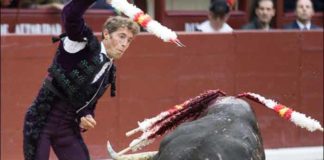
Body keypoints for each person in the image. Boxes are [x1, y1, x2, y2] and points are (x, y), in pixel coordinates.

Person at [22, 0, 140, 159]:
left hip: (67, 128)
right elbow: (69, 14)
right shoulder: (82, 43)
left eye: (129, 40)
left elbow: (88, 100)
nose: (124, 44)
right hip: (41, 121)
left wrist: (87, 115)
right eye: (121, 36)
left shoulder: (109, 69)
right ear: (106, 33)